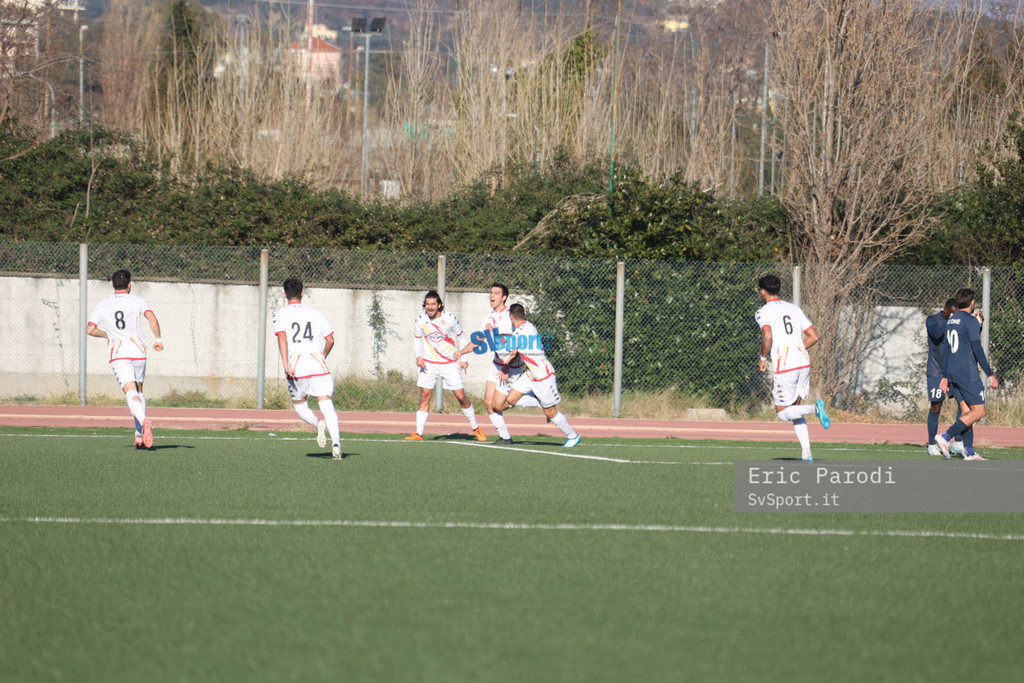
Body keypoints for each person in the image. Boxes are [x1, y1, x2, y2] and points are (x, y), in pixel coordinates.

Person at [755, 274, 830, 461]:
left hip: (786, 366)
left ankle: (815, 409)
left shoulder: (763, 312)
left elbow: (767, 336)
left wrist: (763, 358)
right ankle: (807, 452)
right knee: (794, 410)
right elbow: (813, 336)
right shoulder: (794, 308)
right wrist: (796, 350)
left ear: (762, 291)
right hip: (803, 362)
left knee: (782, 413)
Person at [86, 269, 163, 449]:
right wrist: (159, 340)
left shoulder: (103, 304)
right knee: (139, 391)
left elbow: (90, 329)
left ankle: (144, 422)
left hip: (119, 354)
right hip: (138, 352)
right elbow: (152, 318)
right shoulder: (138, 301)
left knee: (130, 392)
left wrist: (108, 335)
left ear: (113, 285)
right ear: (129, 285)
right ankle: (139, 436)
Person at [456, 283, 540, 445]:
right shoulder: (489, 317)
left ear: (504, 297)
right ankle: (505, 437)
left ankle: (536, 399)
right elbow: (479, 340)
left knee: (499, 405)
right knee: (488, 402)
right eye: (491, 292)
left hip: (510, 367)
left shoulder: (510, 317)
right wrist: (462, 352)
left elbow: (517, 345)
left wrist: (507, 367)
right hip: (497, 364)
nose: (492, 296)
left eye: (496, 293)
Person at [491, 303, 581, 448]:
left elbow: (509, 350)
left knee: (550, 412)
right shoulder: (529, 326)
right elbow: (515, 351)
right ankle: (541, 401)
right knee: (511, 400)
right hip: (531, 374)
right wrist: (506, 366)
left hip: (543, 375)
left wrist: (493, 337)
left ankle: (573, 436)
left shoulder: (519, 333)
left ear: (511, 317)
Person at [272, 278, 342, 459]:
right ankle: (336, 444)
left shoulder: (280, 314)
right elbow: (330, 340)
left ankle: (317, 423)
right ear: (302, 294)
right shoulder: (315, 313)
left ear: (285, 294)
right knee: (326, 404)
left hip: (296, 367)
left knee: (300, 405)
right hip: (317, 366)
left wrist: (286, 364)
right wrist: (322, 356)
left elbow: (282, 338)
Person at [406, 290, 487, 442]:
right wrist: (418, 357)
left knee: (461, 396)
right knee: (424, 396)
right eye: (427, 304)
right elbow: (417, 338)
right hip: (429, 364)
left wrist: (464, 359)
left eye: (433, 304)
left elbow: (461, 337)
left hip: (449, 364)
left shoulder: (449, 318)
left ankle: (476, 428)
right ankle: (418, 433)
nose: (430, 307)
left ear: (439, 305)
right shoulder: (421, 320)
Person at [935, 288, 998, 461]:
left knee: (967, 412)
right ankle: (946, 436)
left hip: (953, 373)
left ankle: (968, 451)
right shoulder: (970, 321)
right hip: (967, 373)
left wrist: (945, 376)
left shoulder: (951, 320)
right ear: (972, 302)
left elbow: (947, 350)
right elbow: (976, 348)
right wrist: (990, 374)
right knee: (979, 412)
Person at [925, 298, 964, 456]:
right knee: (936, 406)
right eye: (952, 315)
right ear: (946, 311)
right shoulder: (933, 320)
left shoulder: (958, 322)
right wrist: (951, 321)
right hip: (936, 371)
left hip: (954, 370)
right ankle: (931, 444)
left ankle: (958, 442)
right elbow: (936, 334)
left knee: (963, 404)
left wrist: (978, 325)